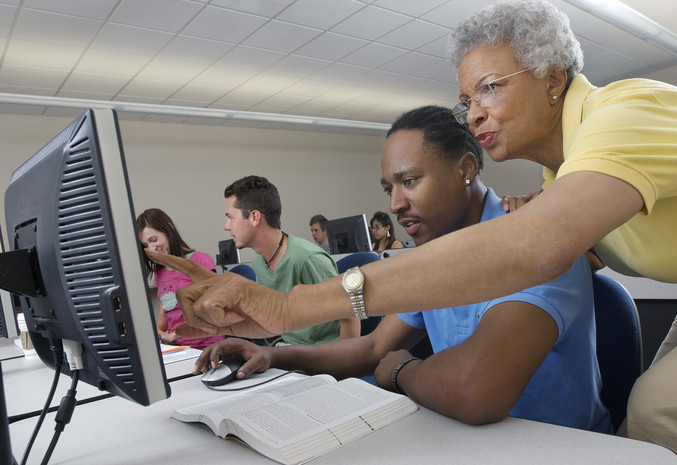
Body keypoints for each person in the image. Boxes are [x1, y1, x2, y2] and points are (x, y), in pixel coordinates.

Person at [149, 1, 677, 460]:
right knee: (651, 431)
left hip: (541, 443)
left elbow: (538, 249)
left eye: (488, 88)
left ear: (554, 79)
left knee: (658, 411)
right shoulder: (557, 178)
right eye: (467, 100)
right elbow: (372, 349)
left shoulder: (619, 117)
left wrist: (292, 311)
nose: (474, 113)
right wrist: (273, 352)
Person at [187, 106, 611, 433]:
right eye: (389, 189)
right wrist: (272, 355)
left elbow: (474, 390)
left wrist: (403, 371)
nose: (394, 205)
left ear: (466, 169)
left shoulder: (536, 241)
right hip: (463, 438)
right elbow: (372, 349)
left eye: (410, 182)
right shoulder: (433, 258)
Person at [223, 176, 359, 343]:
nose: (226, 226)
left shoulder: (308, 259)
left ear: (254, 217)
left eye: (230, 217)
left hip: (323, 358)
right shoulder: (259, 261)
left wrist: (342, 364)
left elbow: (350, 316)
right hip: (290, 350)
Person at [136, 208, 224, 350]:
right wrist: (154, 334)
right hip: (179, 348)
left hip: (206, 346)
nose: (152, 248)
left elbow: (212, 310)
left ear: (169, 229)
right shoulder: (160, 272)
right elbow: (164, 314)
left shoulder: (199, 260)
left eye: (154, 240)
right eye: (146, 245)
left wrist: (174, 335)